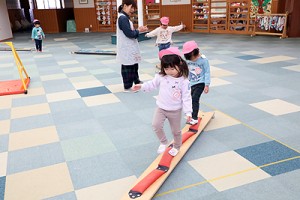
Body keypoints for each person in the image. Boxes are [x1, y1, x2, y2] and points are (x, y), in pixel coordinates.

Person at [133, 47, 192, 156]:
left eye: (172, 69)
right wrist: (141, 86)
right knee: (156, 125)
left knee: (176, 131)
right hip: (161, 108)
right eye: (166, 69)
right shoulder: (161, 76)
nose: (169, 72)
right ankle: (163, 142)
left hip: (175, 110)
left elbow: (187, 97)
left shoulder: (184, 81)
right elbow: (152, 84)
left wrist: (188, 112)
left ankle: (177, 146)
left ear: (180, 65)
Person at [116, 0, 148, 92]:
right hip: (126, 47)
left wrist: (138, 30)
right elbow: (129, 33)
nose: (133, 10)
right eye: (131, 7)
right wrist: (139, 30)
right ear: (125, 6)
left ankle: (136, 81)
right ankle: (127, 86)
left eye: (134, 8)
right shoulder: (122, 18)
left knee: (133, 65)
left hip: (129, 46)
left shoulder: (125, 17)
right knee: (128, 67)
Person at [182, 40, 211, 125]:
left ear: (197, 52)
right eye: (189, 58)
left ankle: (195, 118)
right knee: (189, 99)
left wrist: (207, 85)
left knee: (195, 99)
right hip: (191, 83)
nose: (192, 60)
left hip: (201, 83)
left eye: (193, 57)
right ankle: (190, 115)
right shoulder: (187, 60)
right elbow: (184, 69)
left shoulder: (203, 60)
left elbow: (207, 72)